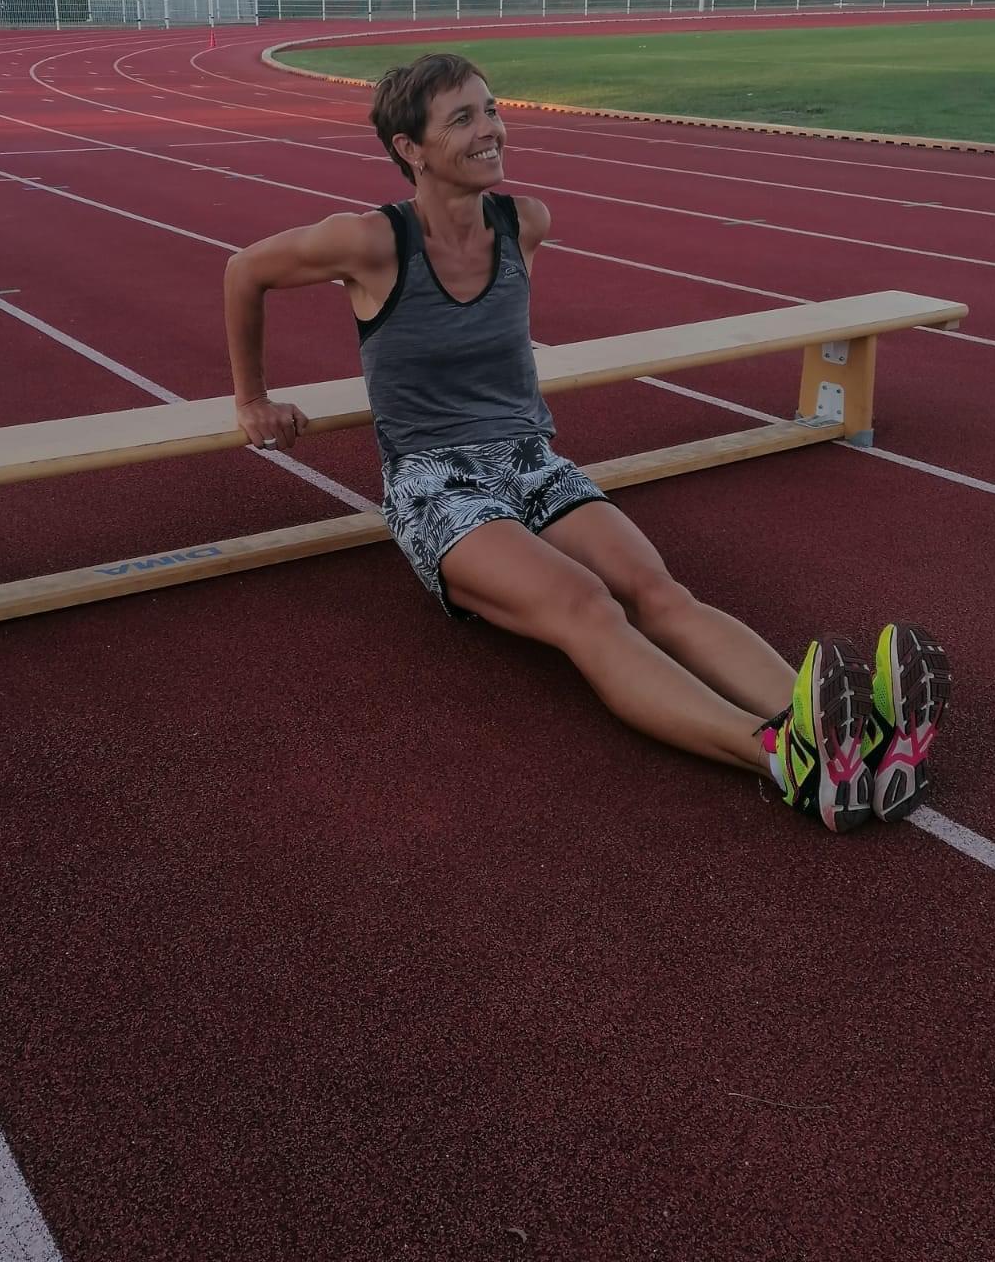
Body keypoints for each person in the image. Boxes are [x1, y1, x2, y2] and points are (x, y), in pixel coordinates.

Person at [223, 52, 949, 834]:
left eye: (491, 109)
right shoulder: (367, 242)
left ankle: (856, 745)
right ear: (408, 148)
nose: (491, 129)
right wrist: (253, 398)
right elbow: (243, 271)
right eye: (462, 118)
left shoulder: (524, 222)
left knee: (663, 596)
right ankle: (781, 756)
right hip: (438, 487)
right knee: (588, 608)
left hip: (532, 461)